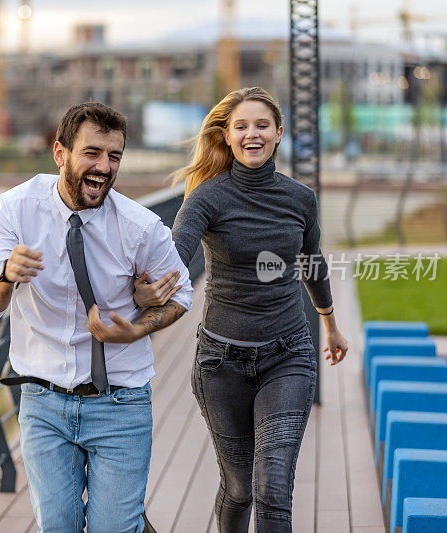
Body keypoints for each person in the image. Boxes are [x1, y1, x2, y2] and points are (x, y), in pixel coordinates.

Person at [0, 101, 193, 533]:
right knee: (59, 527)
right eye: (92, 153)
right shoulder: (15, 210)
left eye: (114, 156)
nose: (104, 167)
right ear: (60, 154)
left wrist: (138, 327)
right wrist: (6, 274)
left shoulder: (140, 226)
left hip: (121, 402)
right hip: (43, 402)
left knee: (114, 528)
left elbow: (182, 291)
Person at [135, 87, 348, 532]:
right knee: (240, 488)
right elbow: (177, 252)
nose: (252, 133)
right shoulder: (206, 198)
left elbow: (313, 263)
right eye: (242, 126)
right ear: (227, 137)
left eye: (262, 125)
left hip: (288, 356)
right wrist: (154, 286)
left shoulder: (300, 199)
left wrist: (330, 325)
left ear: (278, 134)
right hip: (220, 363)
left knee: (273, 487)